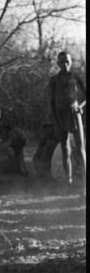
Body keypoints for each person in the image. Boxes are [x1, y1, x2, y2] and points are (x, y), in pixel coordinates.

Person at [48, 51, 86, 191]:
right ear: (58, 63)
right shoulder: (54, 80)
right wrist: (55, 120)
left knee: (81, 149)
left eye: (67, 61)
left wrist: (80, 107)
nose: (65, 64)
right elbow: (51, 102)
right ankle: (68, 182)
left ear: (71, 62)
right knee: (65, 149)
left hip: (75, 114)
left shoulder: (75, 76)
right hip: (60, 115)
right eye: (62, 61)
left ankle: (84, 185)